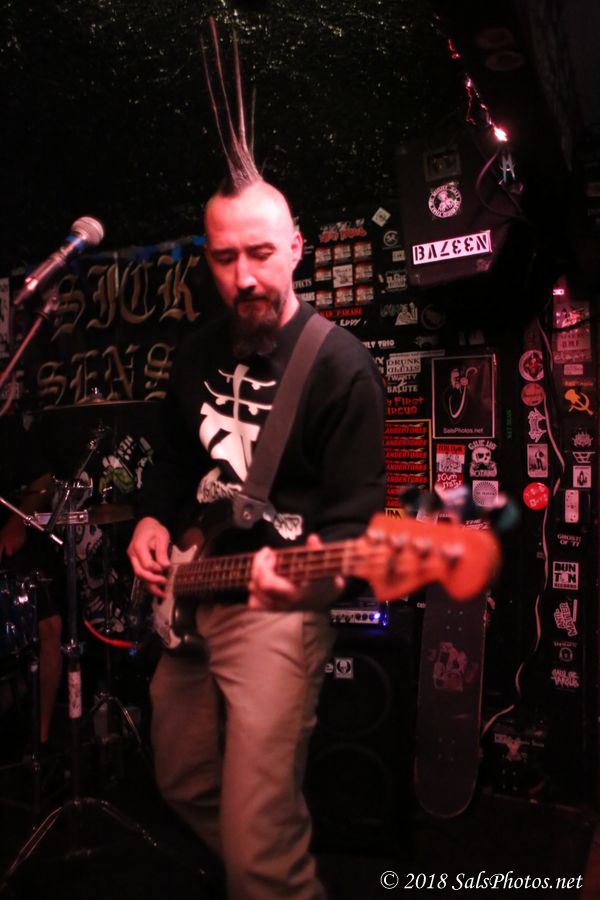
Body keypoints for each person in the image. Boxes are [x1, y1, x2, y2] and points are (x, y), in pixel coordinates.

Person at [127, 175, 386, 899]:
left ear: (296, 248)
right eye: (224, 257)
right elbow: (172, 462)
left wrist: (309, 574)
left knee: (258, 842)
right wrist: (151, 518)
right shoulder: (196, 354)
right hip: (189, 593)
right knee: (181, 779)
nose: (243, 277)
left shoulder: (340, 368)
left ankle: (266, 869)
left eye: (262, 253)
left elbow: (353, 527)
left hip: (277, 610)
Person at [0, 413, 63, 748]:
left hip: (12, 546)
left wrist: (16, 522)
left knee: (50, 627)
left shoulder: (8, 429)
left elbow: (42, 481)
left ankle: (41, 739)